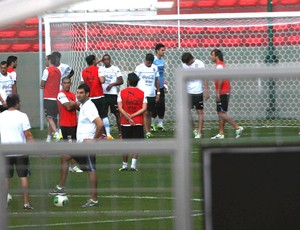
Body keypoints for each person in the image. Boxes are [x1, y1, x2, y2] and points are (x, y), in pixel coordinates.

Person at [50, 83, 103, 208]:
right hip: (80, 145)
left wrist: (94, 140)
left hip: (87, 145)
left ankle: (94, 200)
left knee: (91, 170)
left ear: (87, 94)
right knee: (65, 156)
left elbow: (99, 124)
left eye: (81, 93)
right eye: (77, 92)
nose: (78, 95)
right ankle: (61, 187)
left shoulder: (89, 106)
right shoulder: (84, 105)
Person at [0, 94, 34, 209]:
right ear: (16, 103)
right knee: (23, 177)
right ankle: (26, 203)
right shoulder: (22, 116)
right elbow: (28, 134)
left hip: (5, 151)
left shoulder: (1, 116)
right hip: (20, 151)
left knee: (6, 178)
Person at [210, 48, 244, 139]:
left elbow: (220, 79)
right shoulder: (221, 65)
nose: (211, 57)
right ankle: (221, 133)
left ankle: (237, 127)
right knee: (221, 112)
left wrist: (217, 93)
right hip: (225, 91)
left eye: (212, 55)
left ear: (216, 56)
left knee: (221, 113)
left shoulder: (219, 66)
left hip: (223, 92)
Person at [118, 73, 147, 172]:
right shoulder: (142, 93)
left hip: (125, 122)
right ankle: (133, 166)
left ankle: (124, 165)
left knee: (125, 144)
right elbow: (144, 108)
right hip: (138, 122)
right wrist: (133, 116)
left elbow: (120, 108)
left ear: (128, 81)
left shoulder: (121, 92)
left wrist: (128, 117)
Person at [81, 54, 113, 139]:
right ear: (94, 61)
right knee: (104, 116)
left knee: (94, 117)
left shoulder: (83, 71)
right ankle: (108, 134)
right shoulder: (99, 69)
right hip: (99, 96)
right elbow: (102, 81)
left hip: (90, 99)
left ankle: (96, 135)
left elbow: (82, 84)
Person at [57, 77, 82, 174]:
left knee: (73, 144)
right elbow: (68, 106)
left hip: (74, 123)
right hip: (66, 124)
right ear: (62, 84)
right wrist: (74, 104)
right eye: (65, 83)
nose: (67, 84)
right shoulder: (61, 94)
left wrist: (74, 104)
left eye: (68, 83)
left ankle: (71, 166)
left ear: (71, 84)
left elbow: (79, 107)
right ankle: (74, 166)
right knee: (70, 145)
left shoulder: (72, 95)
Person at [181, 52, 209, 139]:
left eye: (187, 62)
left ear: (190, 59)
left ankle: (199, 132)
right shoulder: (184, 64)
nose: (186, 64)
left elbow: (205, 77)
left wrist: (206, 90)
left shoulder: (200, 64)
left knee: (200, 112)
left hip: (198, 91)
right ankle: (194, 130)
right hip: (187, 92)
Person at [135, 53, 160, 139]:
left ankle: (148, 130)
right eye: (148, 62)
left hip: (151, 94)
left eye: (151, 62)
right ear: (145, 60)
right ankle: (147, 131)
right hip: (142, 94)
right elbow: (134, 80)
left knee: (150, 113)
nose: (149, 64)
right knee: (145, 113)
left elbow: (157, 81)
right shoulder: (139, 68)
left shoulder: (154, 68)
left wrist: (158, 93)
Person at [99, 54, 124, 138]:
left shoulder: (115, 68)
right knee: (103, 114)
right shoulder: (100, 69)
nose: (106, 61)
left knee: (117, 114)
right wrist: (99, 60)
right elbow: (92, 65)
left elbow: (121, 81)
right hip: (103, 95)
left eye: (107, 59)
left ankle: (120, 133)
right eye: (104, 59)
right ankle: (104, 133)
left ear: (110, 60)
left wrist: (112, 84)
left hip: (113, 95)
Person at [40, 54, 61, 142]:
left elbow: (42, 83)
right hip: (56, 98)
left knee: (49, 117)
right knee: (53, 118)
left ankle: (57, 133)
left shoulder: (47, 70)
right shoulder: (58, 71)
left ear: (49, 61)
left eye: (46, 60)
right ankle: (49, 138)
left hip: (48, 97)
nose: (45, 61)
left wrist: (42, 85)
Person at [151, 43, 167, 132]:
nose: (164, 52)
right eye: (162, 50)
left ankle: (160, 124)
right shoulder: (153, 60)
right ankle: (152, 124)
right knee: (154, 105)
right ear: (157, 50)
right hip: (153, 87)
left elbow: (162, 74)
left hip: (160, 86)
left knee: (162, 105)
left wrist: (164, 83)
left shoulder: (163, 61)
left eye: (164, 50)